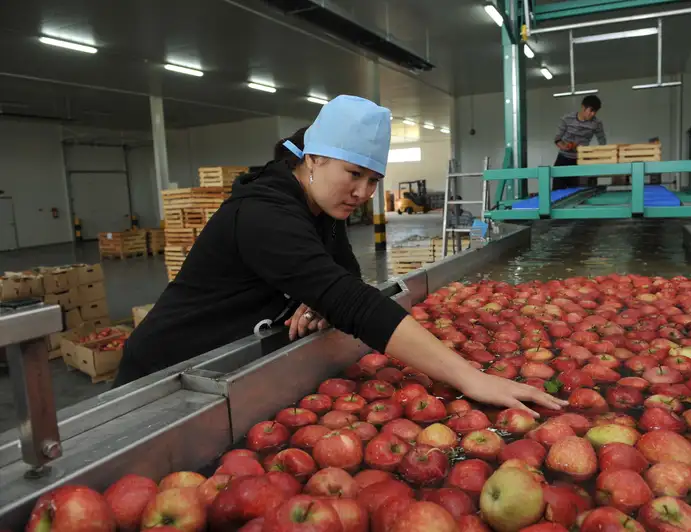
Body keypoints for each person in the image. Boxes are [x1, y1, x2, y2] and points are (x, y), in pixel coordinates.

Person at [115, 95, 565, 416]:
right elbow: (350, 300)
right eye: (354, 174)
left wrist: (315, 296)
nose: (363, 193)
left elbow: (342, 278)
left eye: (373, 180)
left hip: (224, 365)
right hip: (163, 377)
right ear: (313, 159)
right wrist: (470, 378)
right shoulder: (262, 213)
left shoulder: (321, 208)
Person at [553, 95, 607, 189]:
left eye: (595, 111)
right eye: (591, 110)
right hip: (563, 159)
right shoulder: (567, 119)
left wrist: (596, 155)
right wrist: (564, 146)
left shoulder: (596, 123)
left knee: (577, 191)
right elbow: (557, 139)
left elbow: (602, 142)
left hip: (581, 159)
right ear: (583, 107)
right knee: (557, 190)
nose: (593, 114)